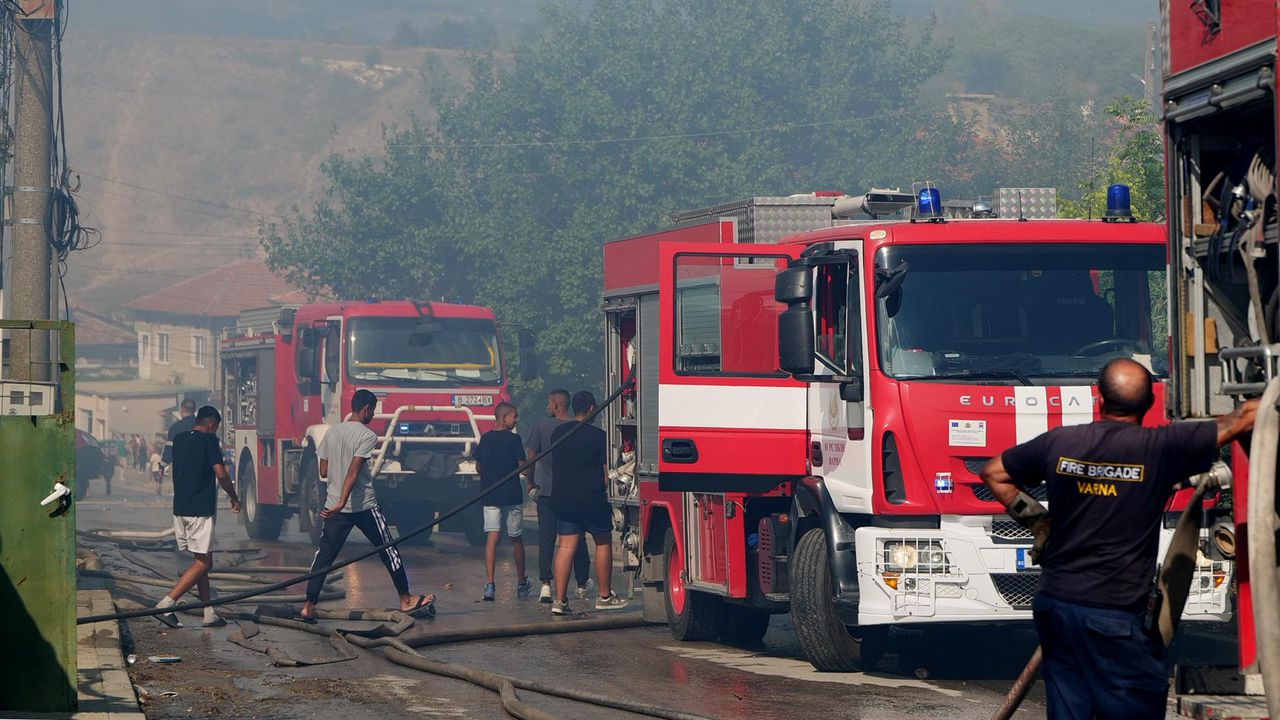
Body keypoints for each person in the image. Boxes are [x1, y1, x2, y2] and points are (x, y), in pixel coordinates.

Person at [980, 359, 1257, 720]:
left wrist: (1041, 524)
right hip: (1113, 617)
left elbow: (994, 473)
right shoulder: (1161, 448)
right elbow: (1245, 418)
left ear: (1099, 399)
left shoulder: (1061, 441)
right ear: (1148, 405)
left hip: (1057, 608)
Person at [301, 389, 433, 621]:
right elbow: (354, 471)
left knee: (324, 557)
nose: (372, 414)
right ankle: (405, 600)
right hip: (362, 506)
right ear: (367, 409)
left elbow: (323, 470)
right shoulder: (367, 435)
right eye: (373, 410)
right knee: (389, 550)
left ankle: (309, 605)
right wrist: (343, 501)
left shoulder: (331, 433)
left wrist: (337, 498)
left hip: (333, 507)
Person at [155, 406, 241, 628]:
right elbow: (221, 473)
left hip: (180, 508)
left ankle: (208, 611)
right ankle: (167, 603)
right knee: (204, 563)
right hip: (200, 509)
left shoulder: (180, 438)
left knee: (200, 558)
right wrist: (233, 497)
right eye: (216, 428)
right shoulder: (209, 441)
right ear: (211, 424)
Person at [549, 391, 628, 615]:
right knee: (602, 542)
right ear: (592, 408)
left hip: (563, 499)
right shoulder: (599, 436)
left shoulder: (558, 433)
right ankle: (604, 595)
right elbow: (605, 473)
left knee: (565, 546)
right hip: (591, 499)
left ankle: (560, 600)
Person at [525, 389, 591, 603]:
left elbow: (531, 458)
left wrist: (531, 482)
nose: (547, 406)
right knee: (577, 539)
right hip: (574, 494)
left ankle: (546, 584)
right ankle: (582, 583)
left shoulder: (541, 426)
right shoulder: (578, 427)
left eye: (548, 403)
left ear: (555, 405)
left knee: (546, 539)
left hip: (547, 493)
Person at [475, 402, 532, 601]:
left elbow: (478, 467)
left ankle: (490, 585)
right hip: (512, 495)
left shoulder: (486, 439)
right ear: (504, 417)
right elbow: (523, 468)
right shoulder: (515, 440)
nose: (516, 420)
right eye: (514, 416)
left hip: (490, 495)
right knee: (516, 538)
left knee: (492, 537)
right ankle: (521, 583)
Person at [163, 398, 198, 466]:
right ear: (194, 410)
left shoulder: (175, 428)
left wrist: (162, 466)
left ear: (182, 409)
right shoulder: (204, 426)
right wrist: (224, 463)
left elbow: (169, 451)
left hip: (184, 470)